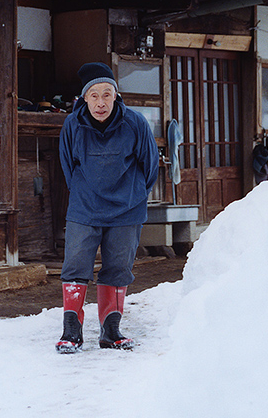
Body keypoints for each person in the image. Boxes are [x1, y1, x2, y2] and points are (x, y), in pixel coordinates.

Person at [55, 61, 159, 353]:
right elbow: (68, 166)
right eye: (94, 95)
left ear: (116, 95)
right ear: (84, 98)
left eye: (107, 95)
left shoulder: (135, 123)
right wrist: (85, 195)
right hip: (85, 208)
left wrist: (134, 195)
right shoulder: (73, 125)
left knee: (118, 267)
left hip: (127, 210)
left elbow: (149, 167)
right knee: (75, 265)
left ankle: (110, 331)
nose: (101, 102)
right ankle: (71, 331)